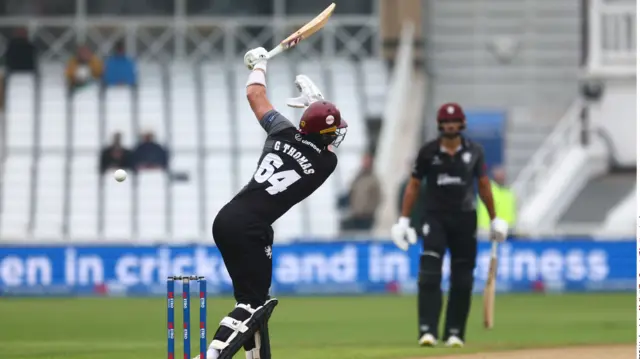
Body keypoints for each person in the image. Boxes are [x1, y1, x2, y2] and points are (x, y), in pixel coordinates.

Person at [199, 46, 348, 359]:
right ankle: (210, 355)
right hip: (251, 228)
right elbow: (325, 142)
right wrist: (316, 101)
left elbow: (255, 95)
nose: (335, 137)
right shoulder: (324, 164)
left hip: (228, 218)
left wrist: (260, 66)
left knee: (252, 301)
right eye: (332, 132)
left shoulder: (281, 131)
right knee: (254, 304)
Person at [391, 103, 508, 348]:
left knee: (462, 278)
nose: (451, 126)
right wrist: (403, 220)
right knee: (429, 275)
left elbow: (484, 185)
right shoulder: (428, 152)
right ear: (440, 125)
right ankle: (428, 331)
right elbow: (413, 186)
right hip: (435, 218)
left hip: (465, 218)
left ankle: (455, 332)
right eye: (446, 122)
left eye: (454, 122)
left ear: (462, 124)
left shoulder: (474, 151)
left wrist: (495, 217)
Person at [340, 153, 381, 231]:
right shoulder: (357, 177)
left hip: (366, 217)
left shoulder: (373, 180)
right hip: (354, 216)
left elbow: (377, 198)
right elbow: (351, 192)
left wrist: (369, 211)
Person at [477, 166, 517, 236]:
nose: (501, 177)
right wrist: (485, 227)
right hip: (490, 230)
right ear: (494, 176)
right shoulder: (487, 190)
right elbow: (483, 211)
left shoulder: (509, 192)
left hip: (508, 230)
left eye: (502, 175)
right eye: (499, 175)